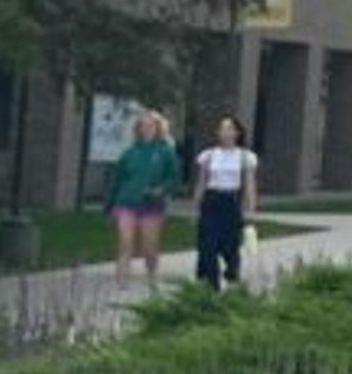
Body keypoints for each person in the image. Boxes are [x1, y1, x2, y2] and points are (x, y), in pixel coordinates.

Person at [104, 110, 182, 289]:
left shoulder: (165, 152)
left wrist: (161, 190)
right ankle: (122, 280)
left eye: (150, 126)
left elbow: (174, 178)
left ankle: (152, 277)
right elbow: (117, 179)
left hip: (151, 204)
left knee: (149, 247)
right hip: (127, 202)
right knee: (125, 243)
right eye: (142, 126)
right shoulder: (129, 153)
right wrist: (109, 205)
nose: (146, 129)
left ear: (157, 128)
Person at [190, 114, 259, 291]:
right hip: (212, 201)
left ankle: (231, 273)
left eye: (229, 128)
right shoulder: (209, 155)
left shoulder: (245, 156)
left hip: (232, 201)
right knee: (208, 246)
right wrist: (196, 207)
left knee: (230, 246)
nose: (225, 132)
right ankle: (212, 285)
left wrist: (250, 209)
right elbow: (202, 183)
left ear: (237, 132)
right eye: (222, 128)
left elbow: (249, 185)